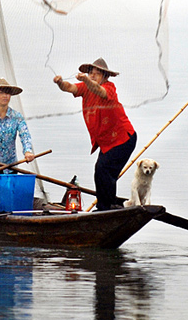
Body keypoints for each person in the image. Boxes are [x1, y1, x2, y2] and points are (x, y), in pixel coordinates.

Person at [53, 58, 137, 211]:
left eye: (97, 74)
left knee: (105, 169)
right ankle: (107, 204)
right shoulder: (85, 88)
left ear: (105, 77)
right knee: (100, 171)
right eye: (91, 73)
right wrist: (59, 83)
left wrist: (85, 79)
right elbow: (70, 87)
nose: (93, 76)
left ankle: (106, 206)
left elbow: (100, 91)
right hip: (106, 143)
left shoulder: (109, 87)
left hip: (123, 138)